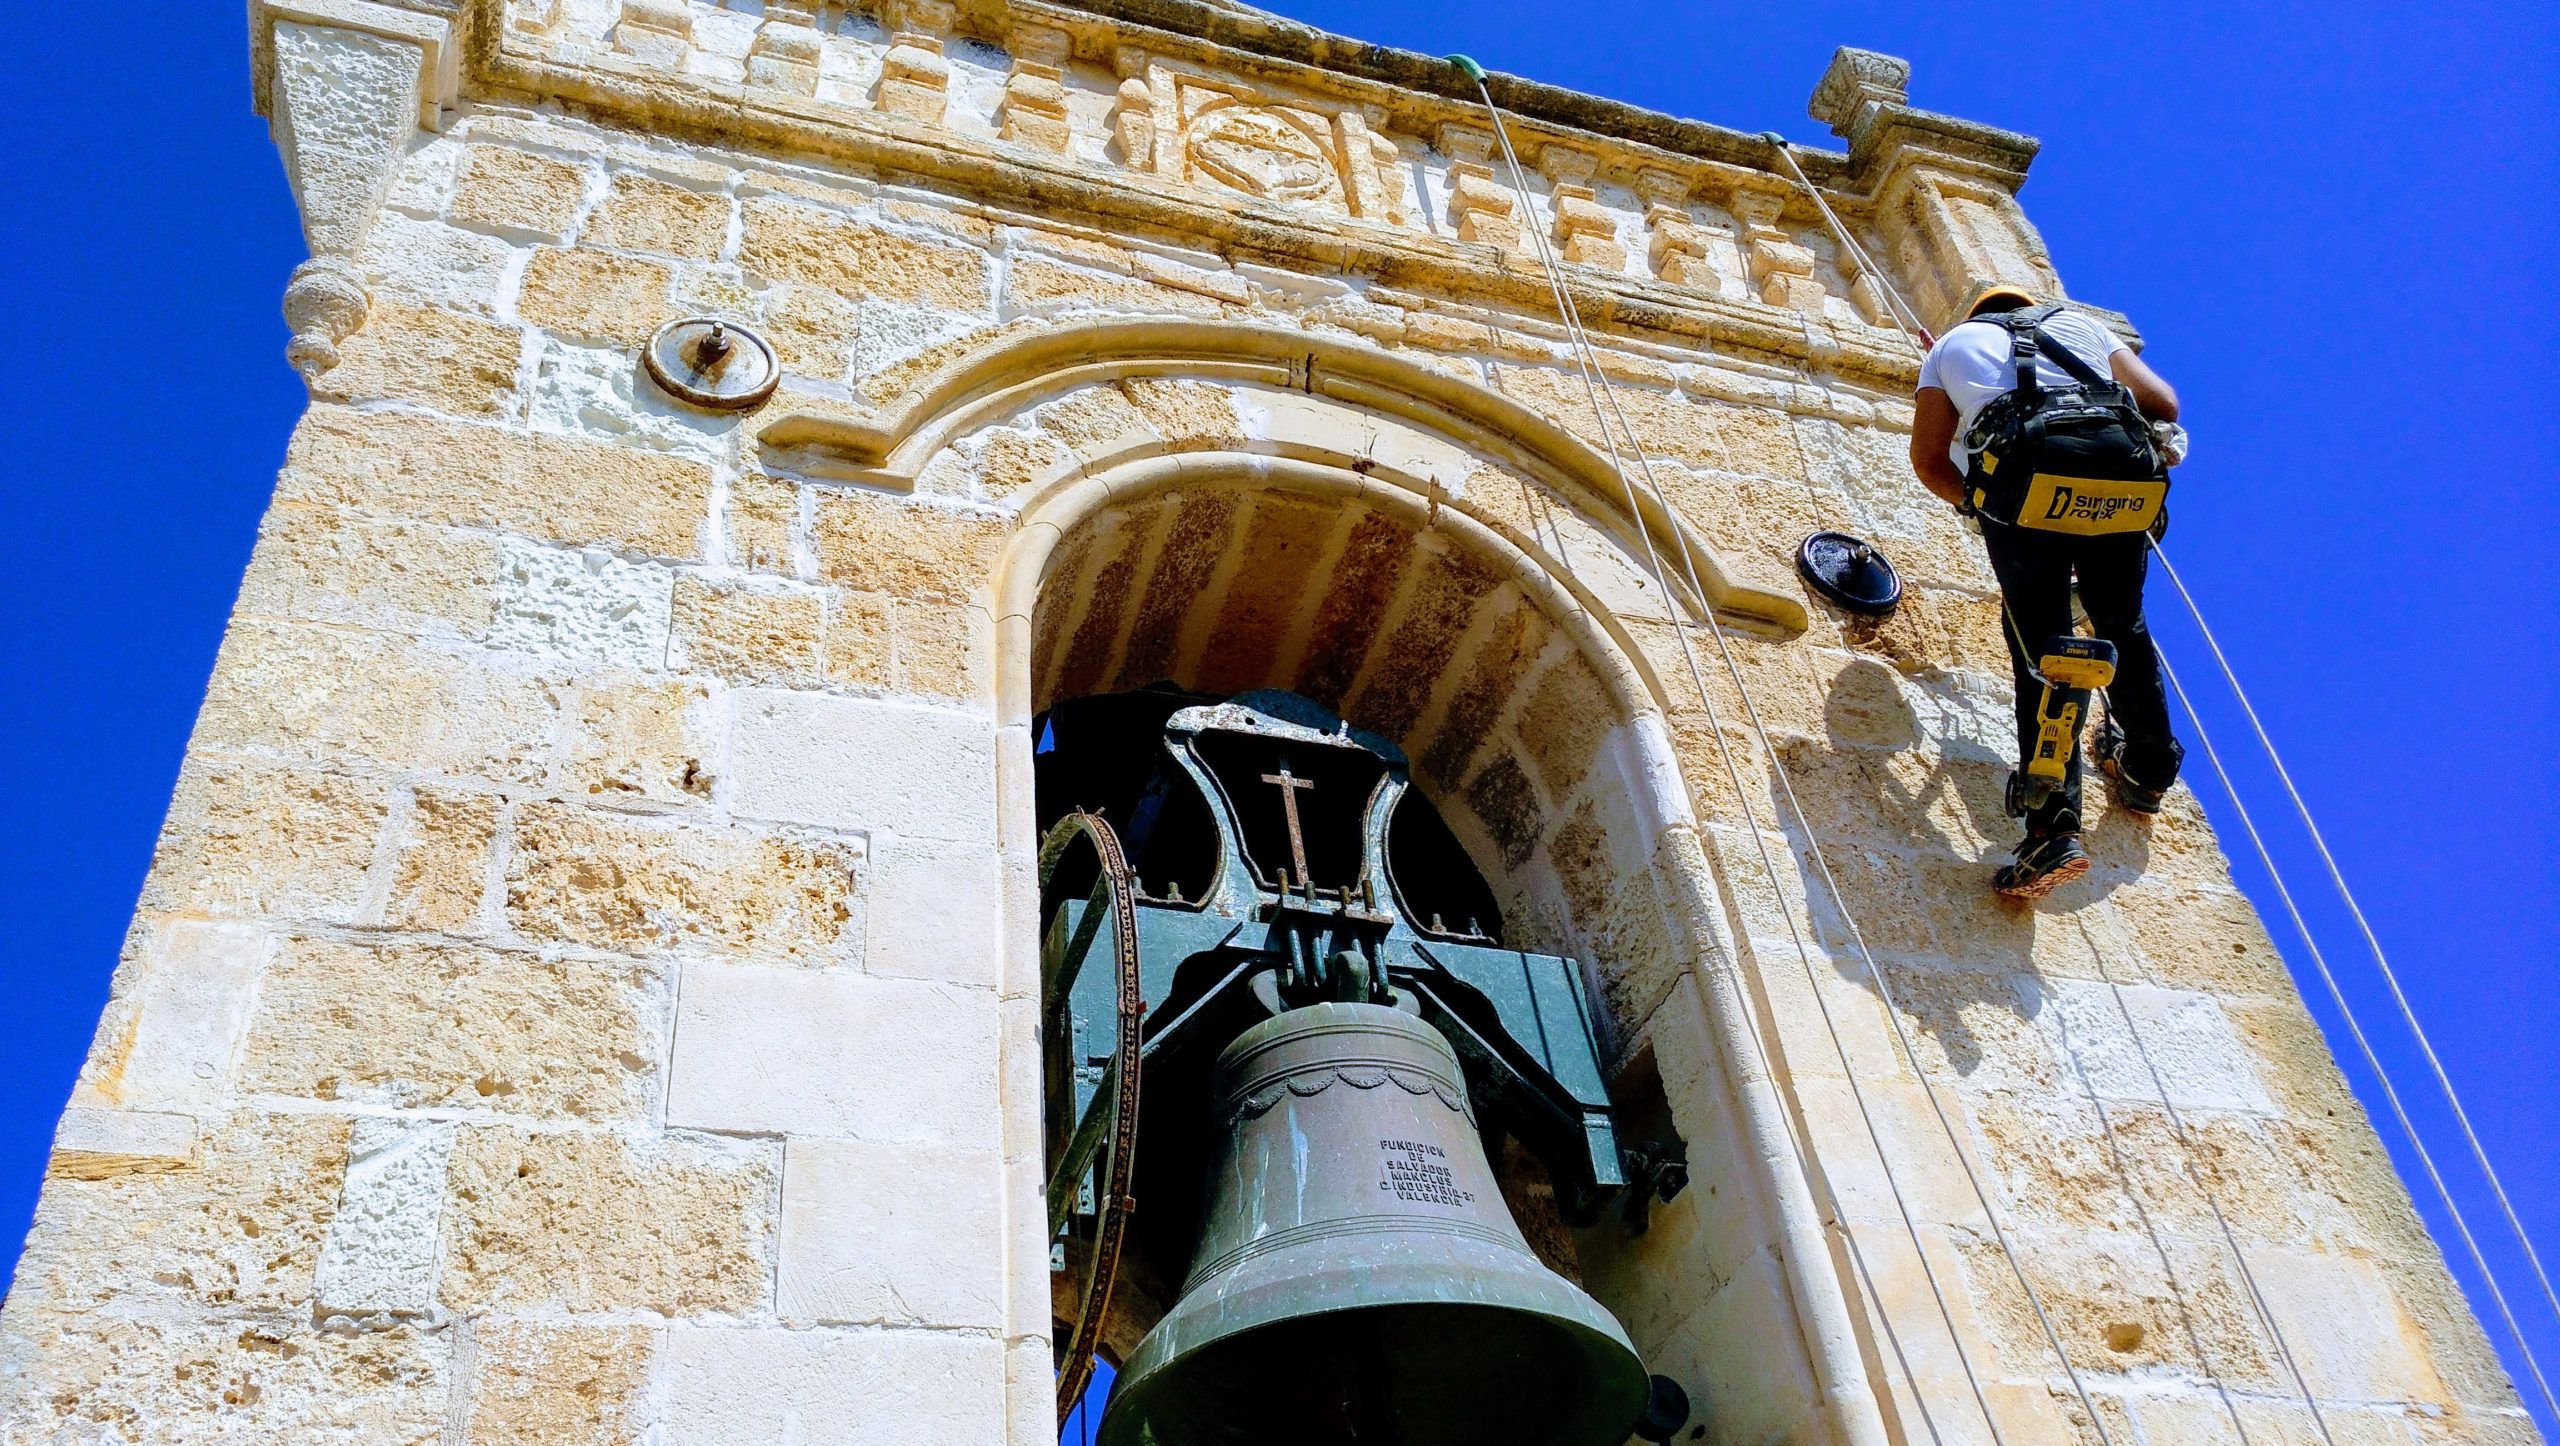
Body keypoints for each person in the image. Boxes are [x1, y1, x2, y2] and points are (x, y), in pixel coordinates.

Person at [1909, 285, 2187, 897]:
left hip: (2028, 496)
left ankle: (2053, 828)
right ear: (2028, 305)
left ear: (1978, 313)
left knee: (2042, 648)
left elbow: (1930, 461)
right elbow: (2163, 402)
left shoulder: (1950, 346)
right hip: (2121, 490)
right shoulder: (2080, 325)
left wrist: (1983, 507)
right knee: (2122, 618)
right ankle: (2149, 764)